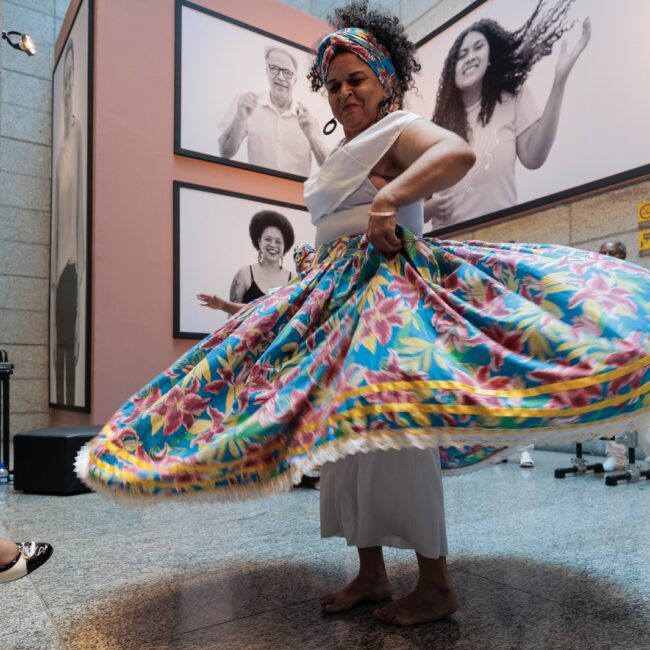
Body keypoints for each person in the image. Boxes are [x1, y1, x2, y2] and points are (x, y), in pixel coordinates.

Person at [76, 0, 650, 628]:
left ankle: (435, 583)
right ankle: (371, 571)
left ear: (385, 83)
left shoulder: (398, 128)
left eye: (357, 80)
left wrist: (390, 200)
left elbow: (456, 153)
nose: (344, 92)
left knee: (397, 436)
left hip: (388, 305)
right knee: (346, 440)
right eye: (333, 85)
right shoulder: (346, 149)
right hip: (341, 303)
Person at [425, 0, 591, 230]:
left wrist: (559, 82)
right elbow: (413, 205)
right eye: (462, 54)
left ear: (490, 57)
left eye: (478, 47)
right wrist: (430, 209)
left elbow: (533, 157)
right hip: (449, 245)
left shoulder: (511, 97)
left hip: (501, 238)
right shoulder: (434, 129)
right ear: (451, 70)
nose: (470, 57)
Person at [218, 46, 327, 177]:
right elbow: (225, 153)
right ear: (267, 72)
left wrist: (312, 136)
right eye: (274, 68)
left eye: (287, 72)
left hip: (296, 190)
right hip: (256, 189)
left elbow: (329, 166)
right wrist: (240, 118)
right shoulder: (248, 104)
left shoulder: (308, 116)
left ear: (295, 80)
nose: (280, 77)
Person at [52, 38, 85, 406]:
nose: (67, 87)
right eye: (65, 79)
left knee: (69, 357)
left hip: (73, 270)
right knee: (58, 363)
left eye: (71, 77)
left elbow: (79, 218)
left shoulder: (76, 136)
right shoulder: (61, 148)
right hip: (58, 275)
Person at [597, 240, 650, 470]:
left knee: (644, 404)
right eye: (604, 253)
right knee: (613, 405)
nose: (608, 256)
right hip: (608, 352)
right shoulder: (592, 281)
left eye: (614, 253)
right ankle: (616, 456)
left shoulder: (636, 278)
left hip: (638, 350)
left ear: (623, 256)